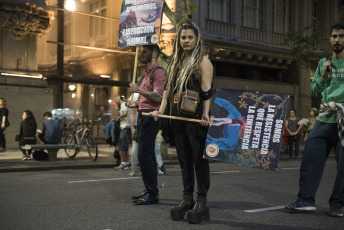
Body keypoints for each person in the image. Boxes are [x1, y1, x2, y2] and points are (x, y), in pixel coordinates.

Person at [151, 19, 213, 224]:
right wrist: (159, 112)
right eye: (183, 38)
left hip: (195, 119)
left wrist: (205, 114)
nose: (186, 41)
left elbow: (206, 91)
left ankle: (201, 201)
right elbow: (167, 92)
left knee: (199, 161)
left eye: (190, 37)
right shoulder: (176, 63)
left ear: (197, 40)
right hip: (176, 118)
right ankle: (187, 199)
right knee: (184, 161)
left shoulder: (203, 61)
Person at [286, 24, 344, 218]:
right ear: (329, 40)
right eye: (334, 36)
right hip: (324, 118)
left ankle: (338, 205)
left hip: (343, 119)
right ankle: (305, 200)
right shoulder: (322, 63)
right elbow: (314, 91)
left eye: (341, 36)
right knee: (310, 154)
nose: (337, 39)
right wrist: (325, 75)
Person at [127, 44, 165, 205]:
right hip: (143, 116)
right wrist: (135, 104)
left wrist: (139, 90)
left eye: (144, 51)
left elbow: (158, 97)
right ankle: (151, 190)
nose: (141, 54)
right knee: (147, 155)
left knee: (143, 154)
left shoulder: (159, 72)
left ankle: (152, 192)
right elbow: (144, 99)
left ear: (154, 53)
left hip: (152, 117)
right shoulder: (145, 75)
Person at [114, 95, 132, 170]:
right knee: (125, 146)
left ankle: (123, 163)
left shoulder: (123, 104)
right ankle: (126, 163)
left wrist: (118, 117)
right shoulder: (127, 104)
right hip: (128, 126)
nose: (115, 102)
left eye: (116, 101)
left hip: (124, 127)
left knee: (120, 146)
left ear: (119, 100)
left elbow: (125, 113)